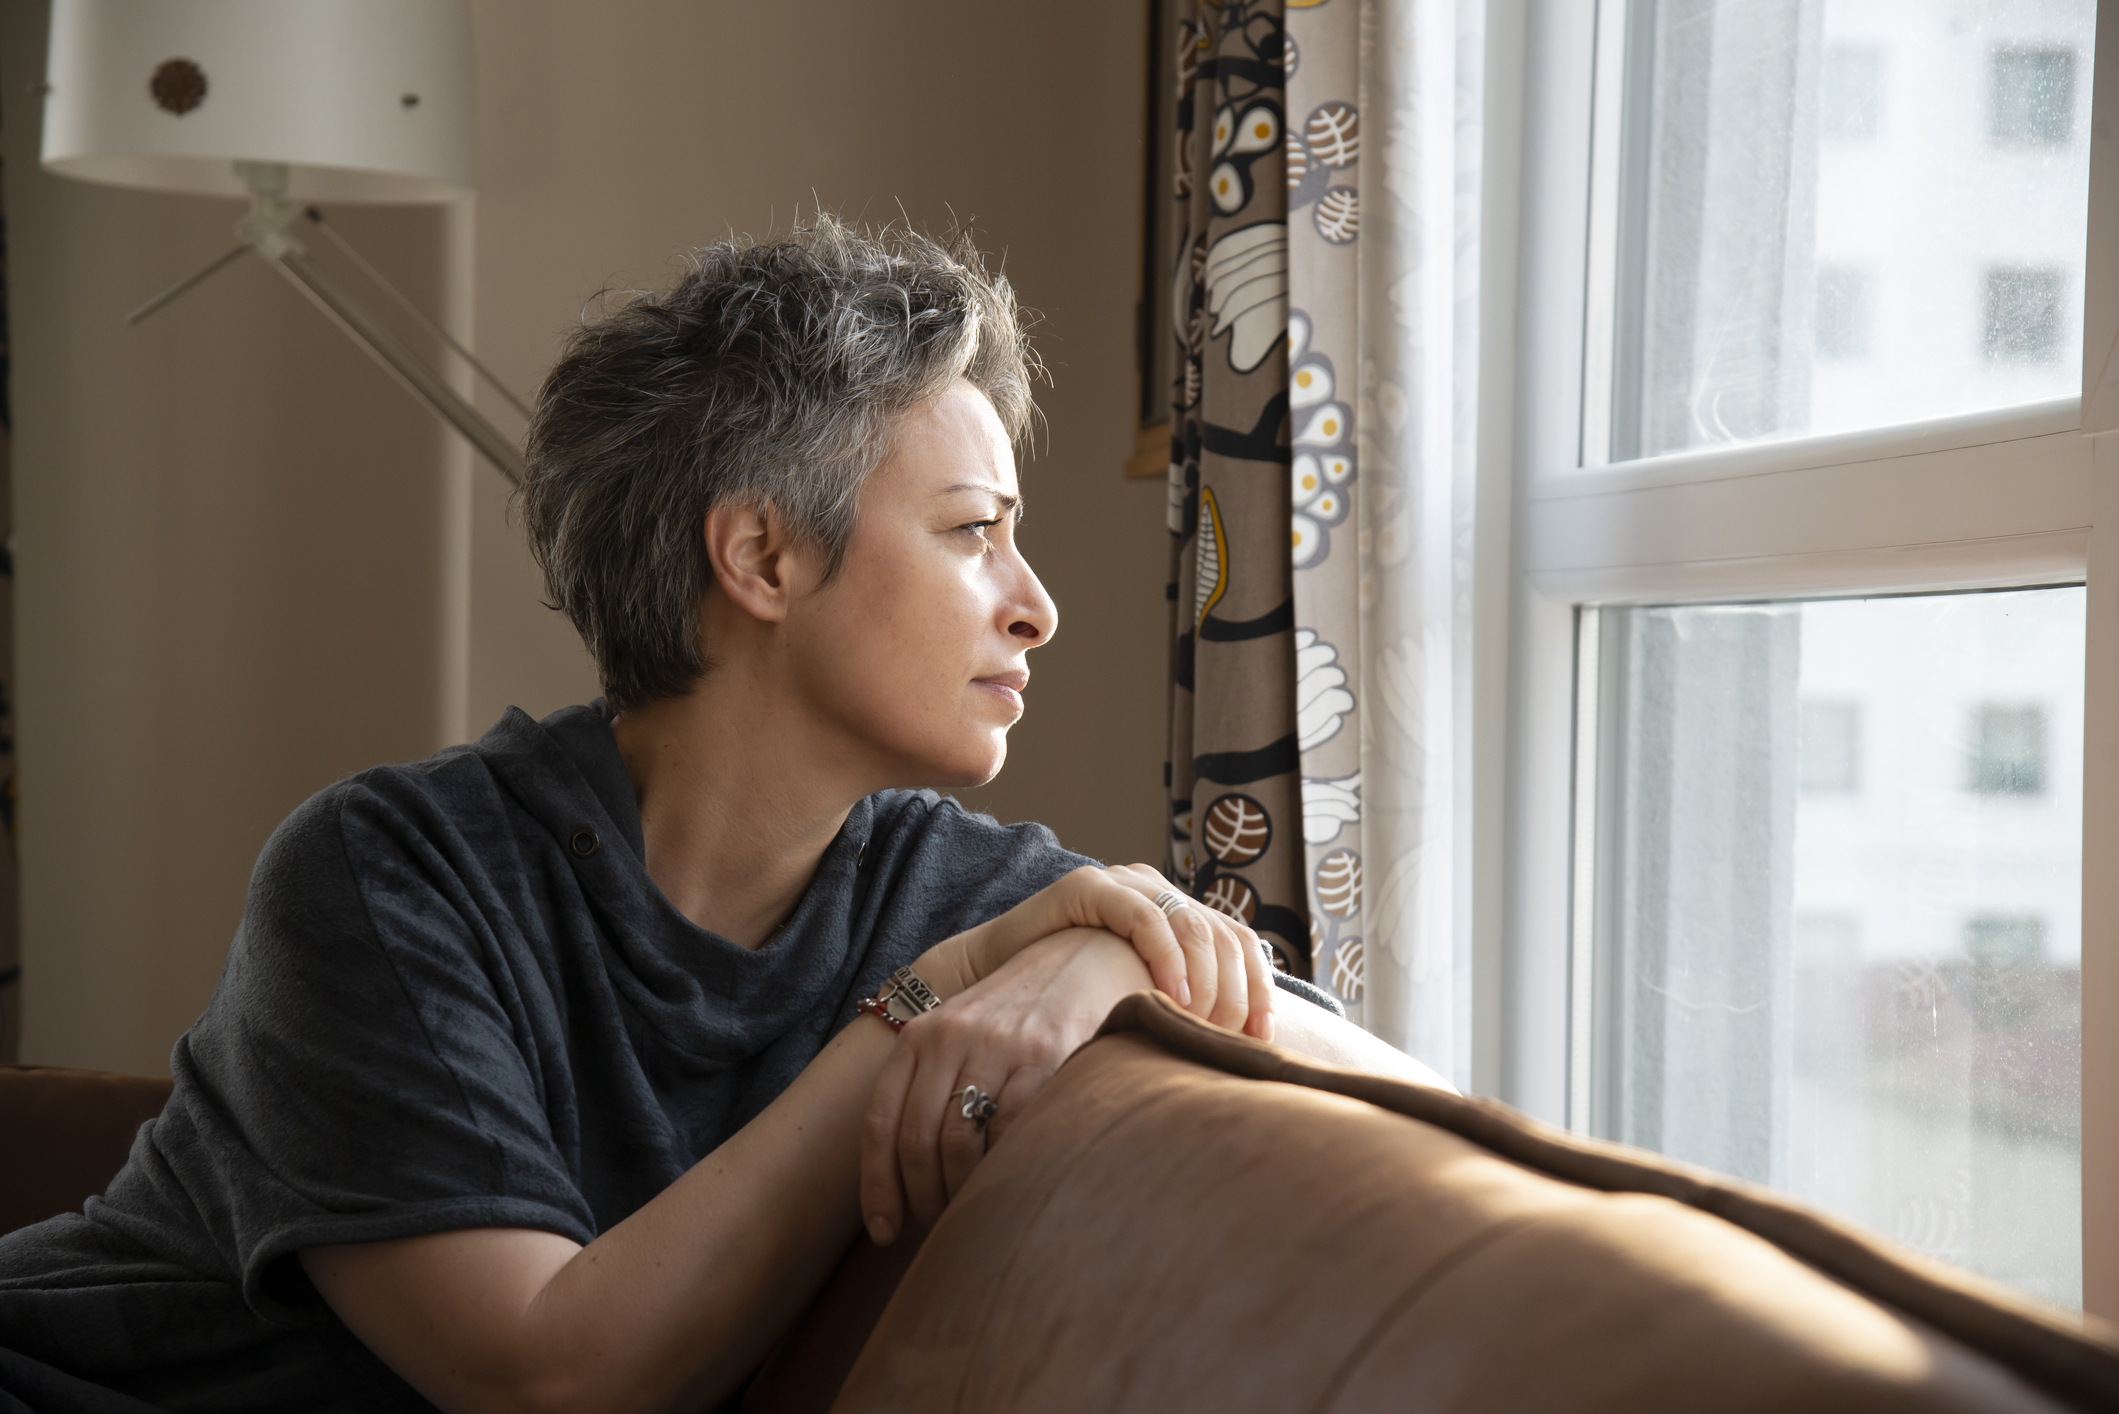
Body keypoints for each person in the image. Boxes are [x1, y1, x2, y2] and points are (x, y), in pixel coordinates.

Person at [0, 217, 1442, 1414]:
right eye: (970, 532)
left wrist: (1106, 955)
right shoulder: (390, 877)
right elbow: (548, 1377)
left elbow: (1406, 1098)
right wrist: (931, 995)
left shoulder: (968, 891)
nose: (1038, 604)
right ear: (758, 553)